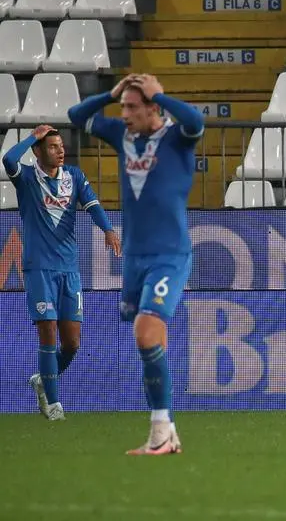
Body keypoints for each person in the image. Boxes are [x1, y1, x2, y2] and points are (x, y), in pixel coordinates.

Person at [68, 74, 204, 454]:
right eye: (122, 106)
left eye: (132, 107)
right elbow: (77, 116)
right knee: (149, 338)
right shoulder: (122, 136)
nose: (124, 113)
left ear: (152, 108)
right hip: (134, 257)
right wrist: (110, 93)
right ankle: (168, 431)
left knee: (146, 333)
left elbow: (196, 121)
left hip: (170, 253)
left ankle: (160, 431)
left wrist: (162, 93)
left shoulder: (177, 137)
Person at [2, 125, 120, 420]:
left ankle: (43, 380)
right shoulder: (28, 178)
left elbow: (92, 205)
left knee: (72, 343)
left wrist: (107, 229)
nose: (60, 150)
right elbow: (8, 160)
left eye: (61, 146)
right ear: (38, 152)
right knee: (48, 331)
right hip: (39, 267)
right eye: (52, 146)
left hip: (69, 268)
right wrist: (31, 136)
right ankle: (54, 405)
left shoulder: (75, 176)